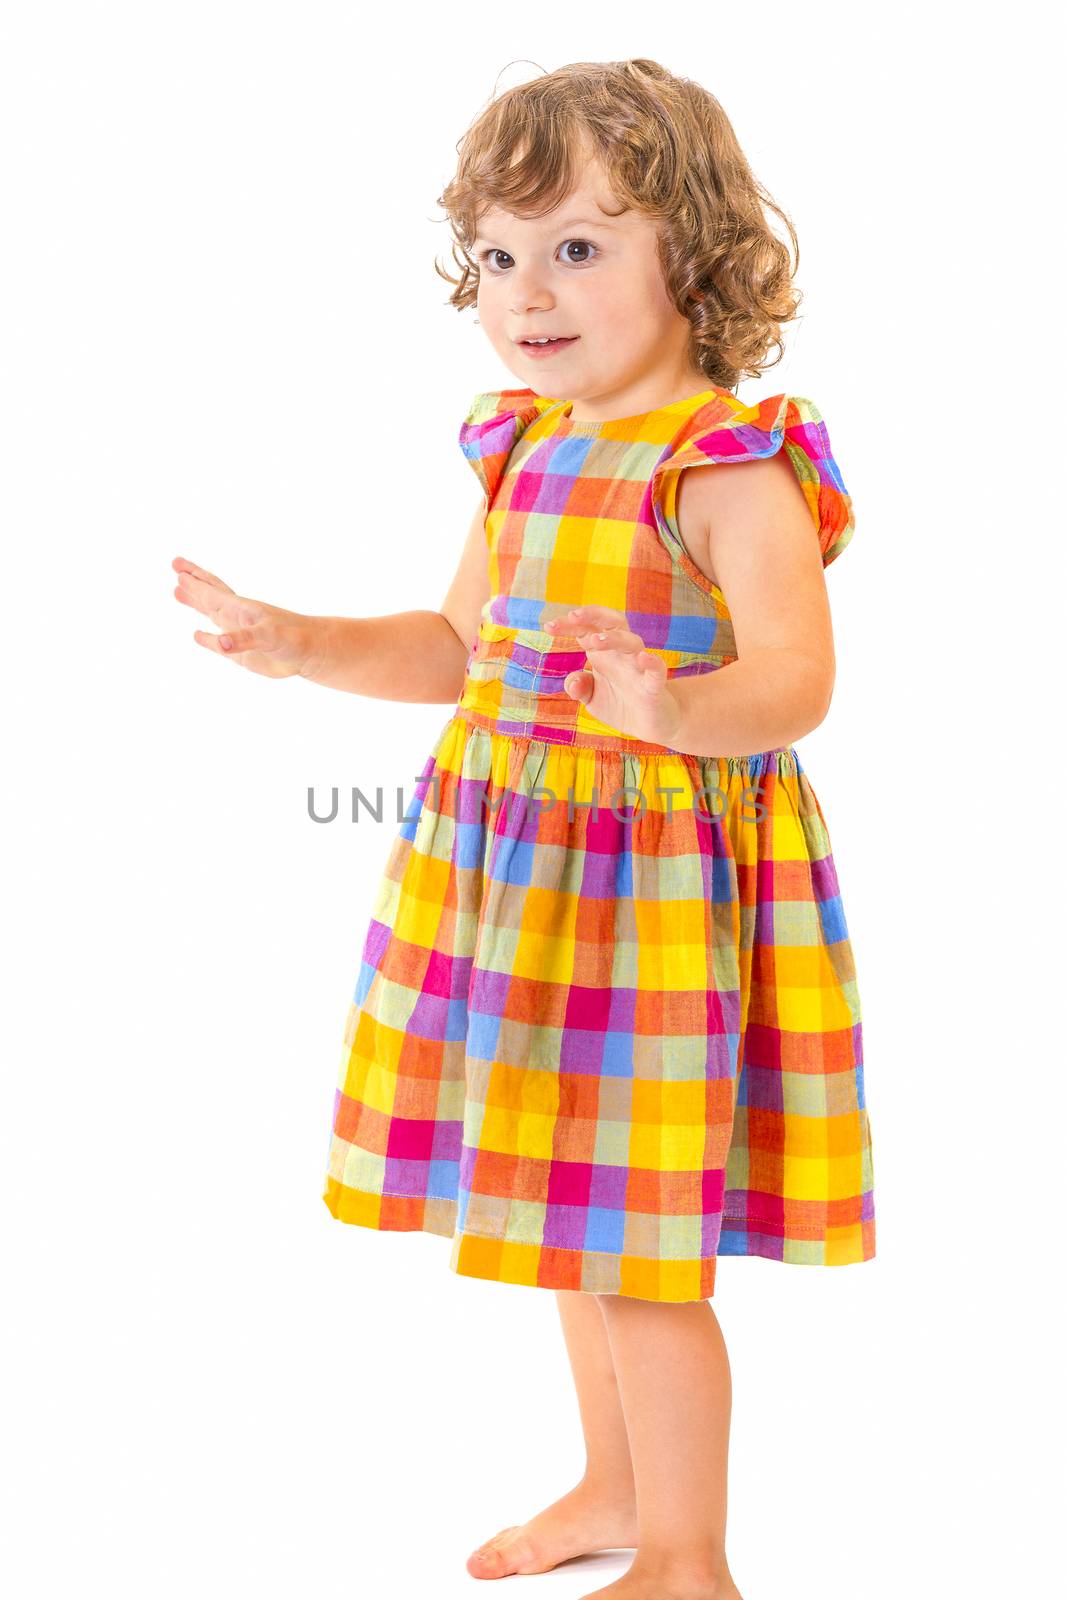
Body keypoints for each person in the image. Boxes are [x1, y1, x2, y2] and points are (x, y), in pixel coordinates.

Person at [173, 57, 875, 1600]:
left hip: (650, 908)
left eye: (576, 245)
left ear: (689, 250)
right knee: (571, 1221)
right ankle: (613, 1488)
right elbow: (455, 651)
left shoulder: (727, 467)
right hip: (523, 895)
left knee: (641, 1256)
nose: (524, 291)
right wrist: (300, 641)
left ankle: (690, 1557)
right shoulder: (525, 450)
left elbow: (799, 683)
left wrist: (672, 710)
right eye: (498, 254)